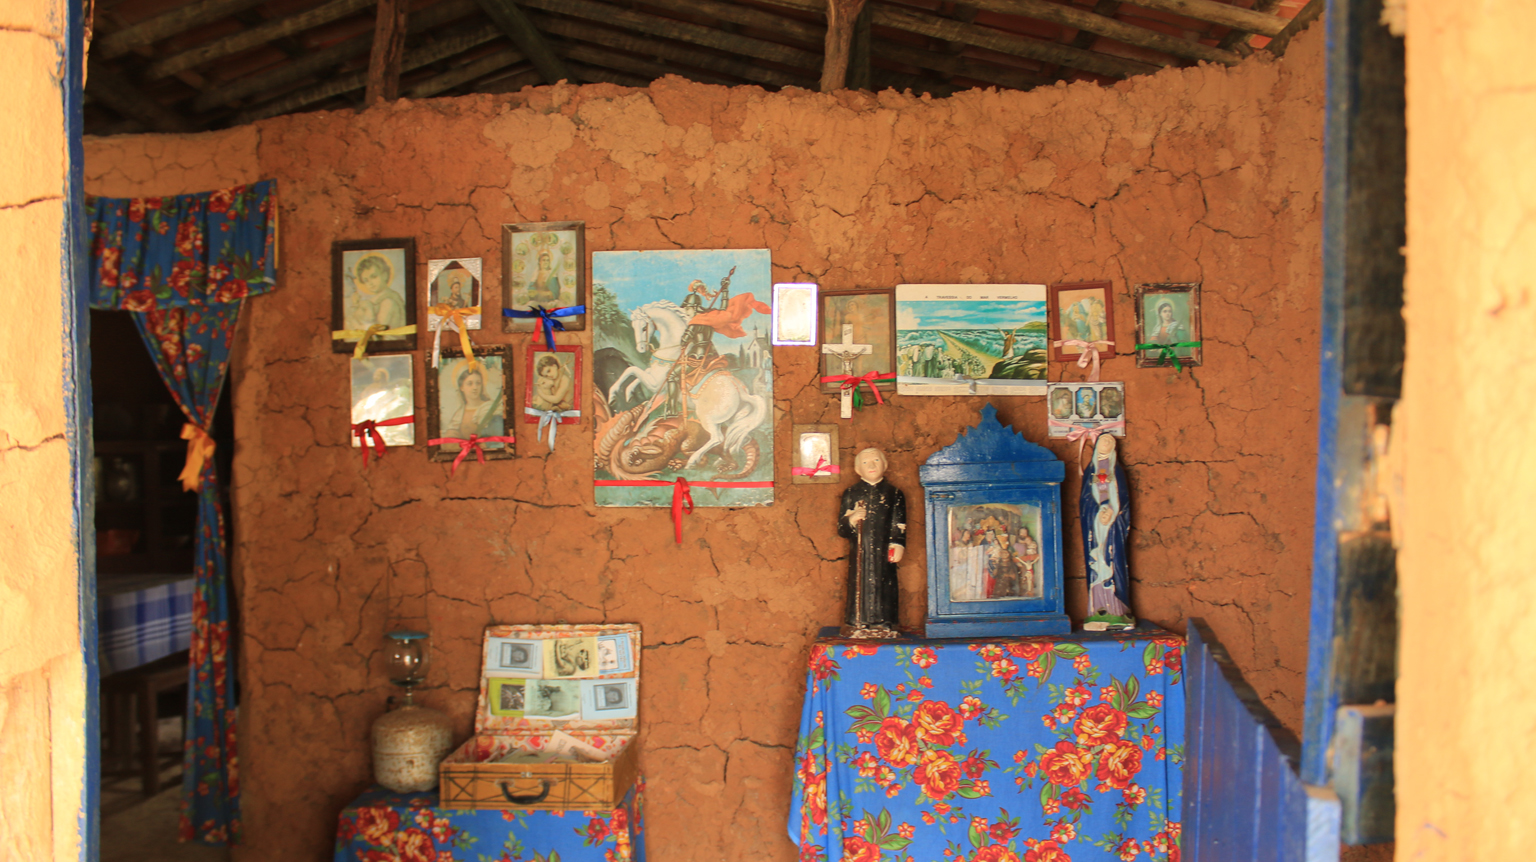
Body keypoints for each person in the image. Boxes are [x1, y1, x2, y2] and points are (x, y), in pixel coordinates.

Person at [837, 448, 906, 638]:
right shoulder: (851, 493)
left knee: (886, 583)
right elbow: (841, 529)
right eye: (866, 462)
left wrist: (898, 543)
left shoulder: (894, 493)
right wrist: (851, 519)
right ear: (857, 469)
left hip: (884, 550)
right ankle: (859, 622)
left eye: (876, 460)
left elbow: (898, 522)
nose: (872, 465)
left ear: (885, 464)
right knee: (859, 583)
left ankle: (885, 622)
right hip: (861, 550)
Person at [1080, 434, 1135, 629]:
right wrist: (1096, 513)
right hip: (1096, 526)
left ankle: (1118, 609)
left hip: (1113, 525)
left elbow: (1124, 499)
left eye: (1111, 442)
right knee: (1097, 563)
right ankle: (1099, 609)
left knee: (1114, 561)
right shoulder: (1091, 471)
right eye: (1104, 441)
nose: (1107, 444)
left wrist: (1113, 513)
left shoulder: (1117, 471)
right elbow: (1085, 500)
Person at [445, 364, 504, 447]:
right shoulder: (459, 414)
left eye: (478, 383)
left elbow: (500, 438)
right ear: (462, 387)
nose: (475, 387)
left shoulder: (490, 409)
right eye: (470, 383)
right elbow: (450, 438)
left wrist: (486, 444)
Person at [346, 253, 405, 330]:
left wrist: (358, 327)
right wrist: (355, 304)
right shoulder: (375, 301)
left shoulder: (389, 300)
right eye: (366, 280)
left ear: (384, 275)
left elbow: (378, 329)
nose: (370, 283)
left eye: (373, 277)